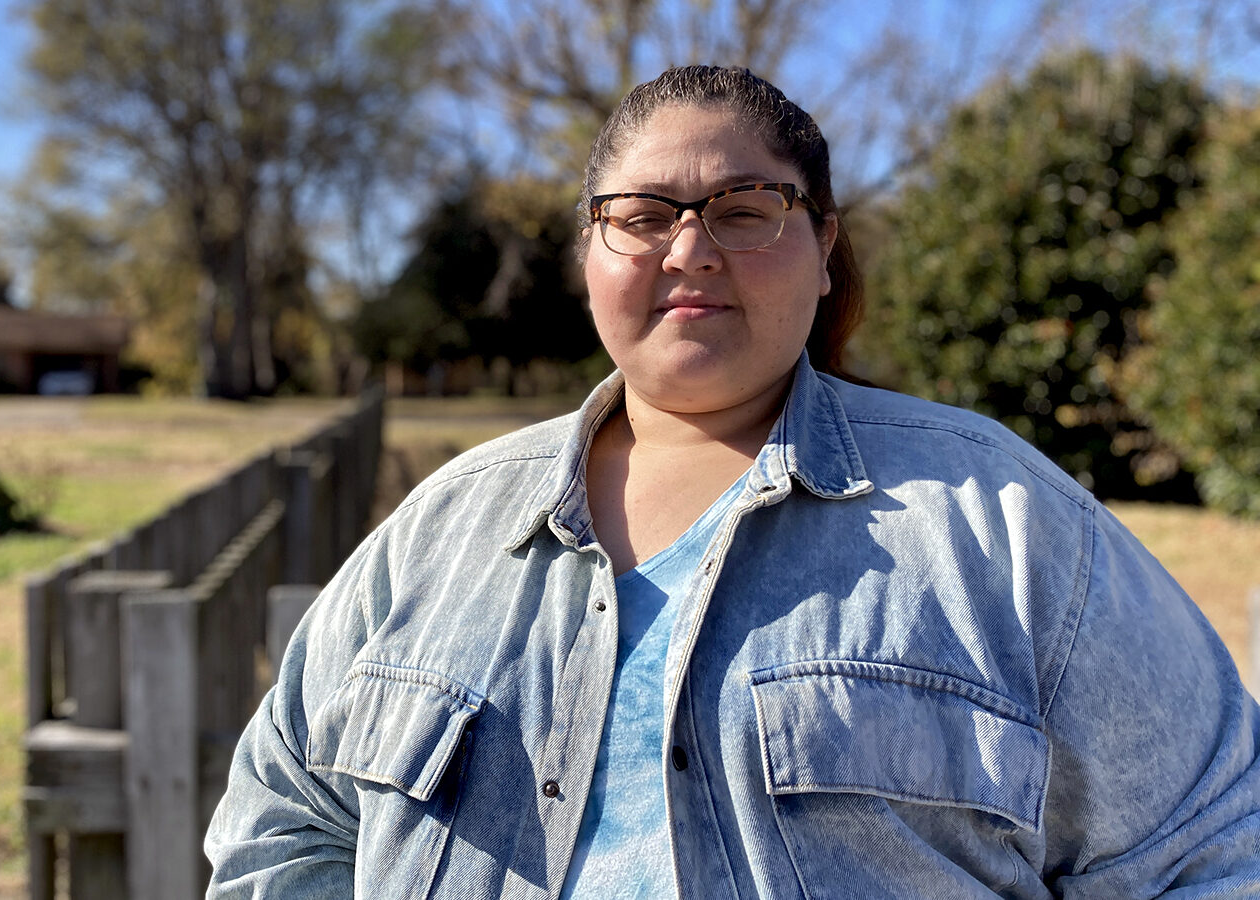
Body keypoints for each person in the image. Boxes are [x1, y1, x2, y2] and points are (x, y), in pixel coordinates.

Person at [205, 65, 1260, 898]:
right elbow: (283, 819)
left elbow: (1213, 848)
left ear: (822, 242)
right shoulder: (444, 527)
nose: (689, 249)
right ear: (592, 248)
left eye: (745, 208)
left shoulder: (1005, 522)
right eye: (645, 213)